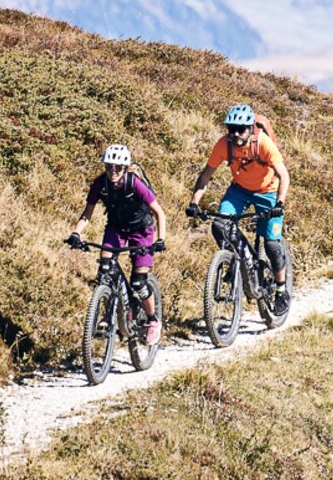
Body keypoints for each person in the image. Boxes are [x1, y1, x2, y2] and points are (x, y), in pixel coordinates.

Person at [69, 143, 170, 344]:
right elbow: (87, 214)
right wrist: (76, 233)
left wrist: (161, 239)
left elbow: (159, 212)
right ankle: (109, 314)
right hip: (115, 228)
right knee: (106, 270)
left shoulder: (135, 184)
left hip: (141, 231)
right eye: (109, 167)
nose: (112, 171)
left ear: (125, 168)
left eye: (117, 167)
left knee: (139, 283)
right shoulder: (99, 184)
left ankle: (152, 320)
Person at [191, 103, 291, 296]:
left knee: (272, 245)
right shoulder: (223, 145)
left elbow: (284, 176)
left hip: (268, 192)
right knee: (220, 225)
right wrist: (194, 203)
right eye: (231, 129)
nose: (235, 134)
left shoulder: (263, 144)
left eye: (240, 130)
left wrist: (280, 203)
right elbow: (205, 175)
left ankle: (281, 289)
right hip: (239, 190)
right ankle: (240, 257)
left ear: (250, 128)